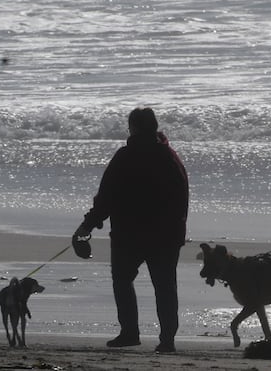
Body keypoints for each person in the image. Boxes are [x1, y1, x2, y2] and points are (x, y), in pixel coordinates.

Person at [73, 107, 190, 353]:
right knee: (165, 287)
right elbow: (182, 196)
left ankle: (129, 332)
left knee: (123, 280)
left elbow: (105, 197)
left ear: (133, 128)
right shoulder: (170, 157)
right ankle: (167, 340)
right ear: (154, 127)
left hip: (130, 234)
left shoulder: (125, 156)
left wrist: (86, 226)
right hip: (165, 235)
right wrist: (178, 231)